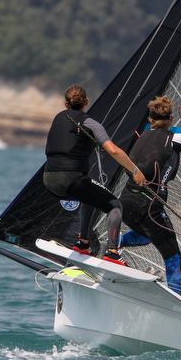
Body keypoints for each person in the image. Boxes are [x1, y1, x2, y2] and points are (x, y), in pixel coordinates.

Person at [120, 96, 181, 293]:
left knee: (144, 235)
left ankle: (113, 243)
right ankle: (176, 300)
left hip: (125, 202)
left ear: (150, 119)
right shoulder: (174, 138)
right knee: (173, 258)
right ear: (171, 118)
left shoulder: (142, 137)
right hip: (149, 207)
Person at [43, 85, 145, 264]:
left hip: (49, 179)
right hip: (71, 179)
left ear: (65, 103)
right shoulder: (91, 123)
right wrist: (135, 170)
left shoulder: (58, 118)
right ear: (86, 102)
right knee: (115, 205)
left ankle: (83, 243)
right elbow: (113, 150)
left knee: (88, 195)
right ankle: (113, 253)